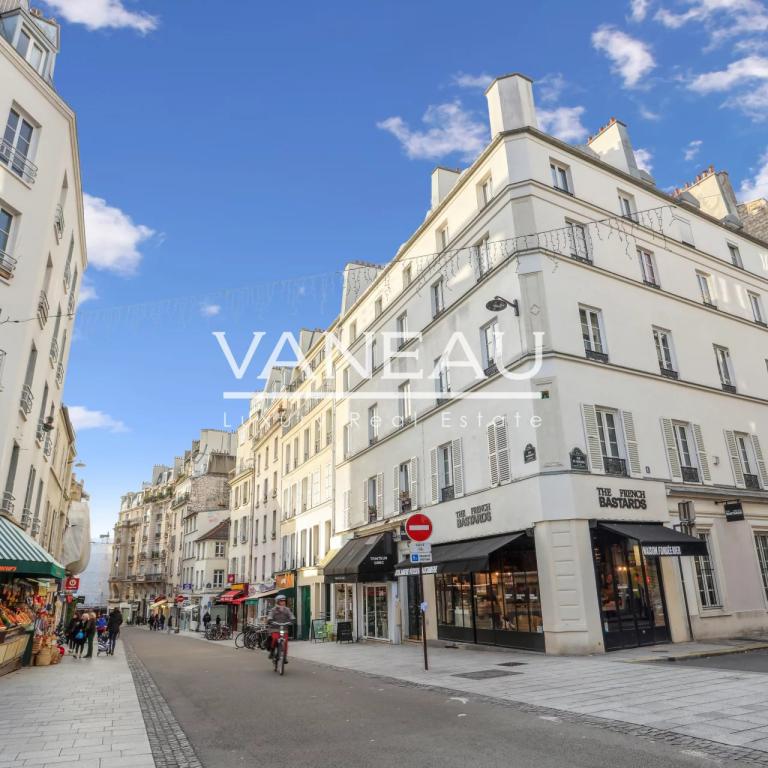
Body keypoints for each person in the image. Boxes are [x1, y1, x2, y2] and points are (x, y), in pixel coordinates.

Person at [266, 595, 295, 662]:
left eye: (284, 601)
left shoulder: (287, 609)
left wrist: (292, 619)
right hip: (275, 628)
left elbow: (291, 615)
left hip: (284, 628)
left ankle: (284, 657)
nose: (283, 602)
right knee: (274, 638)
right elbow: (270, 616)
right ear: (277, 602)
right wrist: (270, 620)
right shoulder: (273, 609)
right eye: (281, 601)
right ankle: (272, 651)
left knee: (285, 642)